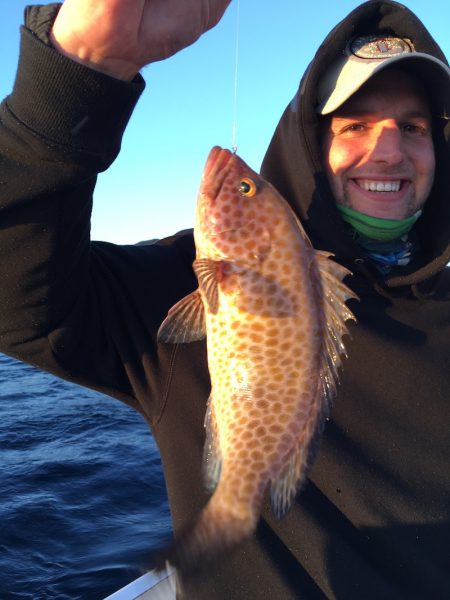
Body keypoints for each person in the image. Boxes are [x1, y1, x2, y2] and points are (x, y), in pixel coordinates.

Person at [1, 0, 449, 598]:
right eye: (355, 125)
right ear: (311, 146)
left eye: (414, 127)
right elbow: (19, 303)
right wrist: (75, 75)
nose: (389, 151)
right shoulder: (174, 283)